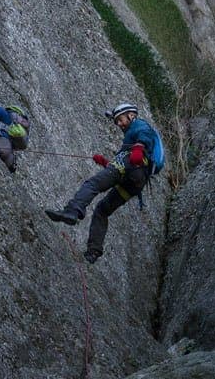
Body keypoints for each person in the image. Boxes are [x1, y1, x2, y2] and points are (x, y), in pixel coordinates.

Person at [45, 102, 162, 263]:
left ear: (131, 115)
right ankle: (93, 252)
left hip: (130, 166)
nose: (119, 124)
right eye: (117, 122)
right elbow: (123, 170)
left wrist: (139, 147)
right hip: (135, 182)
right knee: (102, 210)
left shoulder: (139, 125)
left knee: (92, 184)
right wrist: (105, 162)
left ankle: (72, 211)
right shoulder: (131, 134)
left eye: (120, 119)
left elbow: (144, 135)